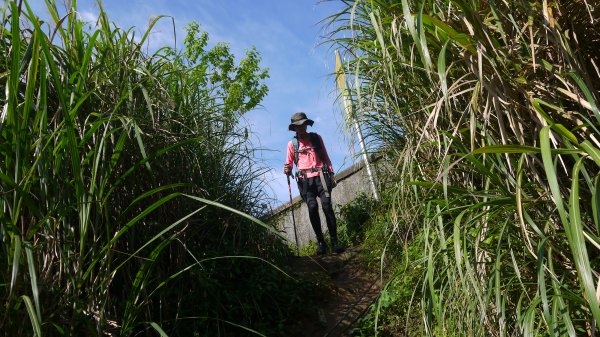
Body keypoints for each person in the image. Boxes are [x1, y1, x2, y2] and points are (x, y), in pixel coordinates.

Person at [283, 112, 345, 255]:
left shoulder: (316, 138)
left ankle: (335, 242)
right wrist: (286, 169)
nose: (301, 128)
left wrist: (332, 174)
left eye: (303, 125)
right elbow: (289, 164)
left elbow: (326, 157)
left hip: (322, 177)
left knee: (327, 206)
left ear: (306, 124)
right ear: (294, 128)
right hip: (305, 181)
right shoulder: (292, 144)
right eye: (298, 126)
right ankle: (321, 243)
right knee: (312, 207)